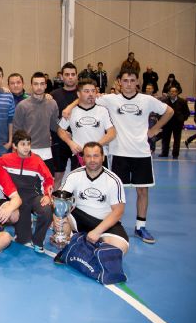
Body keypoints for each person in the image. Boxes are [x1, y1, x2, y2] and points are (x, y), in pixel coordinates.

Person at [63, 68, 173, 244]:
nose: (129, 84)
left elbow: (169, 111)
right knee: (114, 192)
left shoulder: (147, 100)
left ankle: (140, 226)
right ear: (119, 82)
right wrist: (70, 107)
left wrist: (154, 129)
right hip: (118, 153)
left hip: (141, 152)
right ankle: (110, 223)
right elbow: (86, 96)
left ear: (137, 82)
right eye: (125, 80)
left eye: (132, 80)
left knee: (142, 191)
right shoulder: (110, 99)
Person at [59, 142, 129, 255]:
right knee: (60, 219)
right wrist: (56, 217)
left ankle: (82, 243)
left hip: (104, 221)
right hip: (79, 217)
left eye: (96, 156)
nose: (92, 160)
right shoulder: (74, 175)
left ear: (103, 157)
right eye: (88, 156)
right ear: (83, 158)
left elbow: (118, 212)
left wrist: (97, 231)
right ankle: (69, 245)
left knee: (120, 247)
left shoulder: (113, 180)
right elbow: (60, 199)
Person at [0, 130, 54, 253]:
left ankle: (38, 241)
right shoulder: (5, 159)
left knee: (46, 210)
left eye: (28, 144)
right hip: (17, 200)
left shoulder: (37, 160)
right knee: (23, 240)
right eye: (23, 144)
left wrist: (47, 196)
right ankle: (24, 227)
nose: (26, 147)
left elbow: (48, 179)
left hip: (34, 198)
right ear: (14, 146)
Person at [56, 78, 116, 165]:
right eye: (86, 91)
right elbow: (60, 130)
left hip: (99, 155)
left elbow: (112, 132)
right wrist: (70, 143)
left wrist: (96, 146)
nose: (91, 94)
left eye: (93, 91)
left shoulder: (103, 110)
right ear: (78, 94)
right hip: (79, 157)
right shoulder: (71, 111)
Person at [12, 72, 59, 173]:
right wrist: (16, 149)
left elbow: (55, 126)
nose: (39, 87)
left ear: (45, 85)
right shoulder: (22, 105)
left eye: (42, 84)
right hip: (27, 150)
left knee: (48, 181)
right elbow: (16, 130)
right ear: (31, 86)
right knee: (28, 181)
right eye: (36, 84)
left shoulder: (52, 103)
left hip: (46, 151)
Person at [50, 63, 79, 187]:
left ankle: (75, 200)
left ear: (77, 76)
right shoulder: (53, 95)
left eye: (73, 74)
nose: (70, 77)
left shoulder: (83, 93)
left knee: (77, 177)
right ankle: (53, 200)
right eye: (67, 74)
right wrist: (60, 129)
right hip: (59, 140)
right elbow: (51, 118)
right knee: (57, 176)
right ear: (62, 77)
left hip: (78, 141)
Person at [159, 86, 190, 159]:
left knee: (177, 139)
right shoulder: (164, 101)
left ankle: (175, 154)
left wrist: (182, 119)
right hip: (167, 123)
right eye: (171, 91)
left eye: (174, 91)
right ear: (169, 92)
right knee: (165, 139)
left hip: (178, 124)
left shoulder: (183, 101)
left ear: (177, 93)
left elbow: (187, 113)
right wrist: (162, 120)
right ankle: (164, 153)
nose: (172, 93)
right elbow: (160, 112)